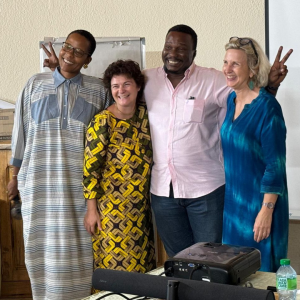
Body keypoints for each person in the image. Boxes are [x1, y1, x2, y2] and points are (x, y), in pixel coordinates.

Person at [143, 24, 292, 257]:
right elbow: (116, 89)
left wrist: (270, 85)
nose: (173, 53)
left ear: (194, 53)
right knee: (179, 264)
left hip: (207, 192)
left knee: (213, 264)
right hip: (164, 193)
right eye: (169, 46)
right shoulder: (146, 80)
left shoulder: (215, 81)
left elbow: (253, 100)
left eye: (181, 48)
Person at [7, 30, 111, 300]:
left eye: (78, 52)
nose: (69, 54)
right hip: (39, 185)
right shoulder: (34, 84)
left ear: (87, 60)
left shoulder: (98, 90)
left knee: (78, 250)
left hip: (79, 190)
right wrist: (14, 175)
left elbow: (109, 135)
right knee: (40, 248)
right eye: (67, 47)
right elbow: (20, 132)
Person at [82, 60, 155, 279]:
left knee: (144, 270)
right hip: (112, 212)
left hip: (142, 210)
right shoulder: (102, 122)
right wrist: (92, 210)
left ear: (138, 86)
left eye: (127, 84)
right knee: (116, 274)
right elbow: (90, 172)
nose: (121, 91)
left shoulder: (146, 116)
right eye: (115, 86)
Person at [221, 37, 288, 272]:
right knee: (233, 276)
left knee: (261, 278)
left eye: (235, 64)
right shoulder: (232, 99)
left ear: (253, 69)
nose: (227, 70)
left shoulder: (268, 107)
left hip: (260, 208)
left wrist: (266, 211)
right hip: (233, 207)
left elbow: (275, 165)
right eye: (226, 62)